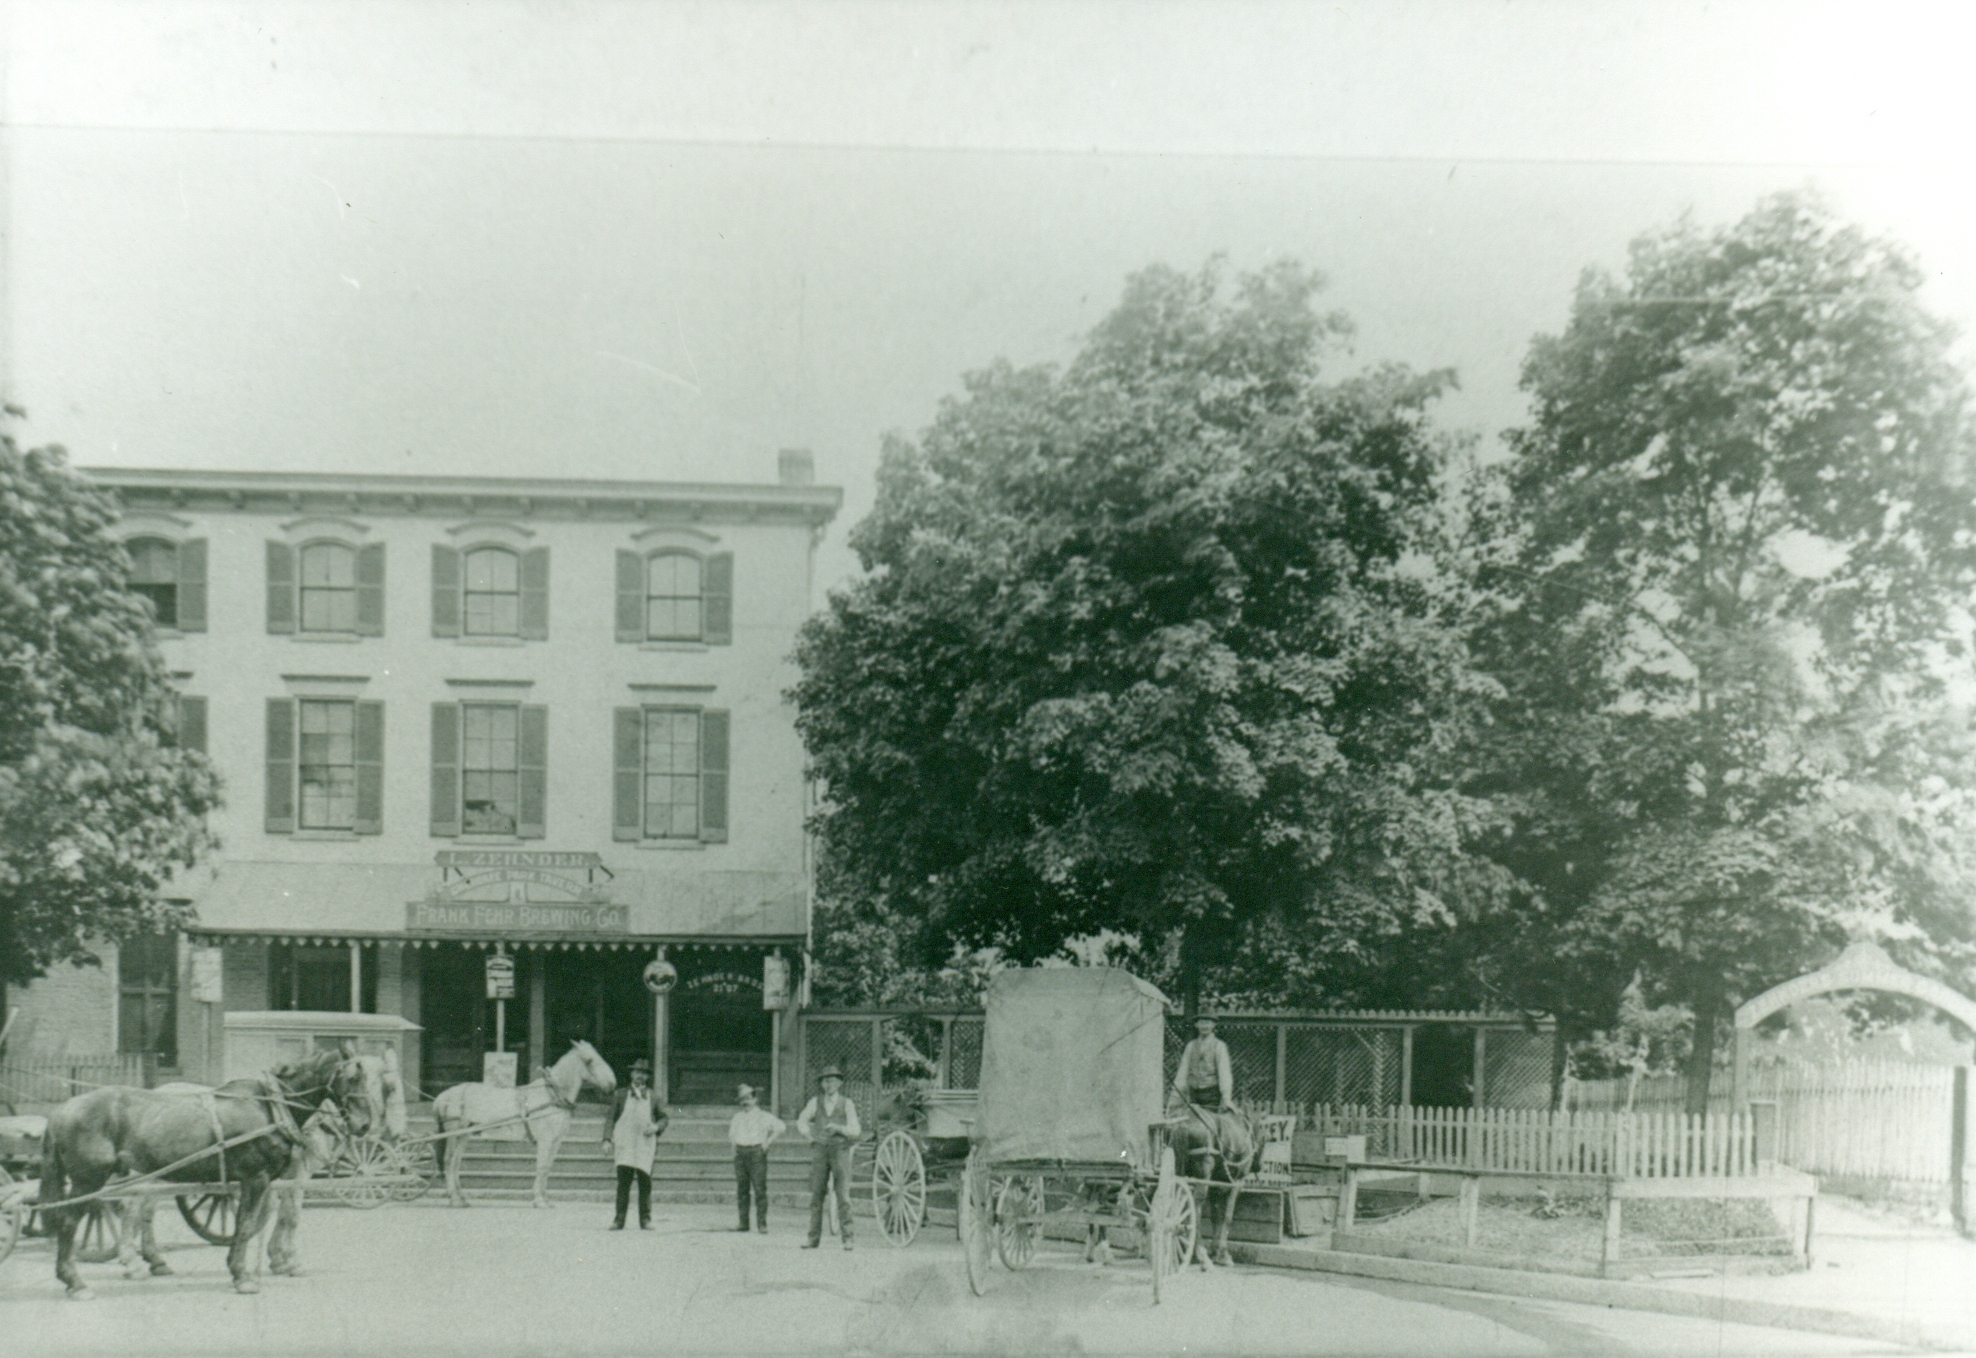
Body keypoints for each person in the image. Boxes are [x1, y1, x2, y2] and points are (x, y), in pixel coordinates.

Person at [796, 1065, 860, 1250]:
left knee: (843, 1195)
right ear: (821, 1084)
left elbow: (856, 1130)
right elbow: (801, 1120)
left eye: (833, 1080)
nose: (829, 1084)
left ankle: (848, 1238)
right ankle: (812, 1238)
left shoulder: (847, 1104)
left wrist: (839, 1128)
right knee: (816, 1195)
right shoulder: (815, 1102)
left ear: (839, 1083)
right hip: (820, 1151)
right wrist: (809, 1136)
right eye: (825, 1080)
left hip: (840, 1151)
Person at [601, 1057, 669, 1230]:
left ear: (647, 1077)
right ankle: (619, 1219)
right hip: (625, 1143)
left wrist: (655, 1127)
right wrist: (607, 1139)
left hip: (644, 1144)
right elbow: (610, 1118)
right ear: (631, 1074)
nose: (640, 1076)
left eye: (643, 1074)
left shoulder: (653, 1096)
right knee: (623, 1183)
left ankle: (645, 1219)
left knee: (645, 1183)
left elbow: (664, 1118)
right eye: (637, 1072)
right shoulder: (620, 1095)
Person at [728, 1083, 785, 1233]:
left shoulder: (763, 1116)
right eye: (742, 1100)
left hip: (756, 1153)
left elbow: (781, 1127)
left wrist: (768, 1142)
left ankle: (762, 1224)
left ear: (755, 1099)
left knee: (759, 1189)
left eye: (748, 1098)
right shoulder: (737, 1117)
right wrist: (734, 1149)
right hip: (741, 1154)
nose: (745, 1102)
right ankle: (743, 1223)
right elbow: (732, 1135)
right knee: (742, 1189)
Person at [1172, 1012, 1234, 1110]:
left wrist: (1226, 1098)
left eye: (1208, 1023)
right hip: (1193, 1095)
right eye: (1201, 1023)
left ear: (1214, 1025)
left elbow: (1224, 1073)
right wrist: (1175, 1097)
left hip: (1212, 1095)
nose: (1204, 1026)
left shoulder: (1219, 1046)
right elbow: (1182, 1072)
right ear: (1196, 1025)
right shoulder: (1191, 1046)